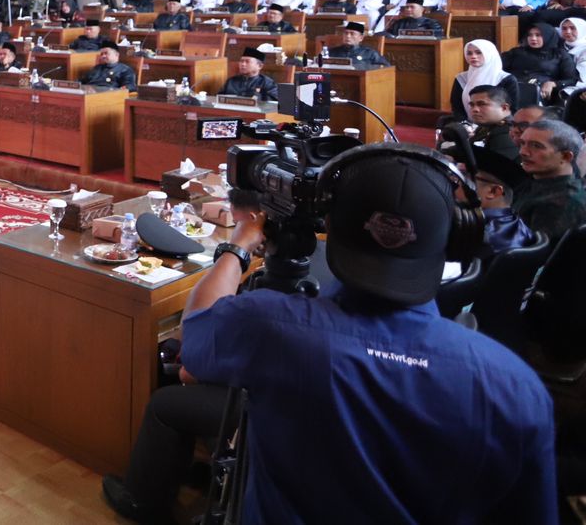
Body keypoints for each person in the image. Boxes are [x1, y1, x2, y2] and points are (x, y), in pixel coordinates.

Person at [103, 145, 555, 525]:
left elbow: (194, 341)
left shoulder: (270, 324)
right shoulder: (515, 386)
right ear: (454, 238)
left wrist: (239, 245)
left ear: (328, 227)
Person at [515, 118, 586, 242]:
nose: (523, 152)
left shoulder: (561, 203)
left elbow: (535, 255)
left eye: (536, 146)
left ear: (565, 156)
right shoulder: (533, 182)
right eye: (522, 143)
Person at [469, 153, 542, 260]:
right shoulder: (517, 223)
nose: (455, 185)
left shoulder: (479, 237)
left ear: (493, 191)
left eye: (464, 179)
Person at [450, 39, 519, 122]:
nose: (473, 56)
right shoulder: (461, 78)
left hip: (498, 126)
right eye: (469, 53)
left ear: (489, 53)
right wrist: (466, 126)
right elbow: (457, 108)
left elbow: (511, 110)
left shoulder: (506, 79)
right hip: (467, 126)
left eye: (478, 52)